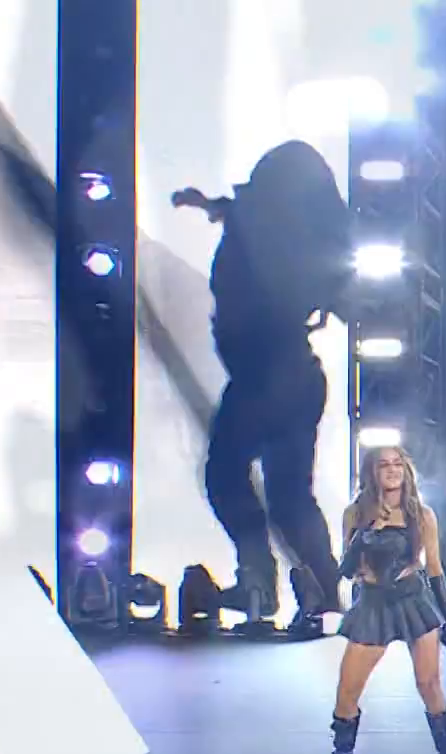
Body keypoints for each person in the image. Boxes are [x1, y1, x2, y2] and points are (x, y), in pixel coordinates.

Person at [171, 140, 350, 620]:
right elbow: (249, 217)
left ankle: (263, 578)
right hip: (291, 375)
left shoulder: (273, 228)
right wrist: (211, 205)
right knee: (288, 494)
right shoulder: (294, 231)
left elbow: (256, 222)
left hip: (269, 372)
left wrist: (216, 207)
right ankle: (320, 586)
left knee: (228, 475)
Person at [326, 445, 446, 754]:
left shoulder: (421, 515)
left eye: (398, 463)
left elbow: (434, 568)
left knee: (428, 684)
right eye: (383, 464)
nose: (392, 470)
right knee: (347, 689)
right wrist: (363, 537)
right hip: (373, 603)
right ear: (371, 472)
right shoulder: (355, 513)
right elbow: (346, 570)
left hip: (413, 599)